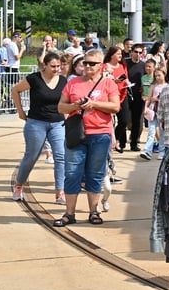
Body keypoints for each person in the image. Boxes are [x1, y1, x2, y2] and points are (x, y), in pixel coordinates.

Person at [53, 49, 121, 227]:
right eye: (85, 62)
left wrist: (94, 104)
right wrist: (75, 105)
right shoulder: (73, 83)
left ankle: (94, 211)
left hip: (100, 134)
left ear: (101, 65)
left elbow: (115, 107)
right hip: (77, 134)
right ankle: (70, 213)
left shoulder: (108, 84)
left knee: (95, 174)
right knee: (72, 173)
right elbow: (61, 107)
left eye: (92, 63)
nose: (88, 66)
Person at [10, 51, 68, 204]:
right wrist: (20, 111)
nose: (56, 69)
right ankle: (19, 186)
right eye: (53, 66)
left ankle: (60, 192)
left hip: (57, 122)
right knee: (31, 157)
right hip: (36, 122)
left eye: (59, 66)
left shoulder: (63, 81)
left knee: (61, 156)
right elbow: (15, 90)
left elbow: (67, 101)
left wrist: (67, 117)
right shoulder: (34, 79)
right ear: (45, 65)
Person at [103, 46, 130, 152]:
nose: (120, 56)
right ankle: (111, 142)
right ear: (112, 55)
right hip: (109, 97)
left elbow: (126, 77)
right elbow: (103, 81)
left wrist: (127, 82)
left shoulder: (123, 65)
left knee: (124, 120)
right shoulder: (104, 66)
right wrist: (114, 81)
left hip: (122, 95)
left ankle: (117, 139)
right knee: (110, 121)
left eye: (121, 54)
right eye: (118, 54)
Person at [125, 44, 148, 151]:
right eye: (136, 52)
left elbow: (148, 79)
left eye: (140, 52)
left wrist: (145, 91)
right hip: (125, 94)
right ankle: (121, 141)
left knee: (137, 120)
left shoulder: (143, 65)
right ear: (131, 52)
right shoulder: (125, 63)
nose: (138, 54)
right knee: (124, 119)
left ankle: (134, 143)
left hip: (138, 96)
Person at [140, 68, 166, 161]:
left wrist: (158, 99)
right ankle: (147, 150)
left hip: (163, 112)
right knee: (151, 132)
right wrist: (146, 107)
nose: (157, 77)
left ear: (164, 74)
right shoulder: (153, 86)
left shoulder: (167, 86)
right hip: (153, 111)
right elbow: (148, 98)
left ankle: (162, 152)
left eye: (159, 75)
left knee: (162, 132)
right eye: (156, 76)